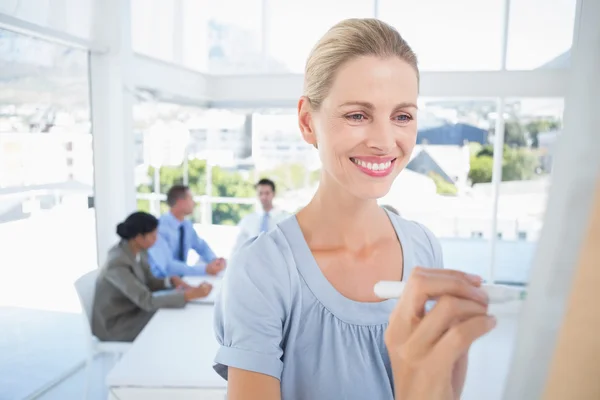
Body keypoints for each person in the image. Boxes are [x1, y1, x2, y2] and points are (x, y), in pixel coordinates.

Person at [213, 18, 496, 400]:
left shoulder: (424, 247)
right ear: (306, 122)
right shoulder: (262, 272)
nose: (384, 141)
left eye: (402, 116)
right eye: (357, 115)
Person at [91, 212, 212, 342]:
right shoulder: (117, 263)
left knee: (175, 314)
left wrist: (170, 281)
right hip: (117, 324)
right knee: (171, 321)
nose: (157, 239)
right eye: (153, 235)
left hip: (135, 310)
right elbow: (147, 301)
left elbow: (149, 281)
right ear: (138, 237)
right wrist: (187, 295)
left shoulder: (138, 250)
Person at [148, 185, 226, 278]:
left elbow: (201, 246)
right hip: (162, 283)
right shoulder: (159, 229)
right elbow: (168, 267)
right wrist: (205, 269)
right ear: (180, 202)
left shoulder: (186, 225)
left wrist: (214, 261)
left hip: (182, 280)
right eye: (191, 199)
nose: (194, 203)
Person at [231, 178, 290, 255]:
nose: (263, 197)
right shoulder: (248, 220)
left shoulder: (285, 219)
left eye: (267, 193)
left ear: (274, 194)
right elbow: (238, 247)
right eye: (260, 193)